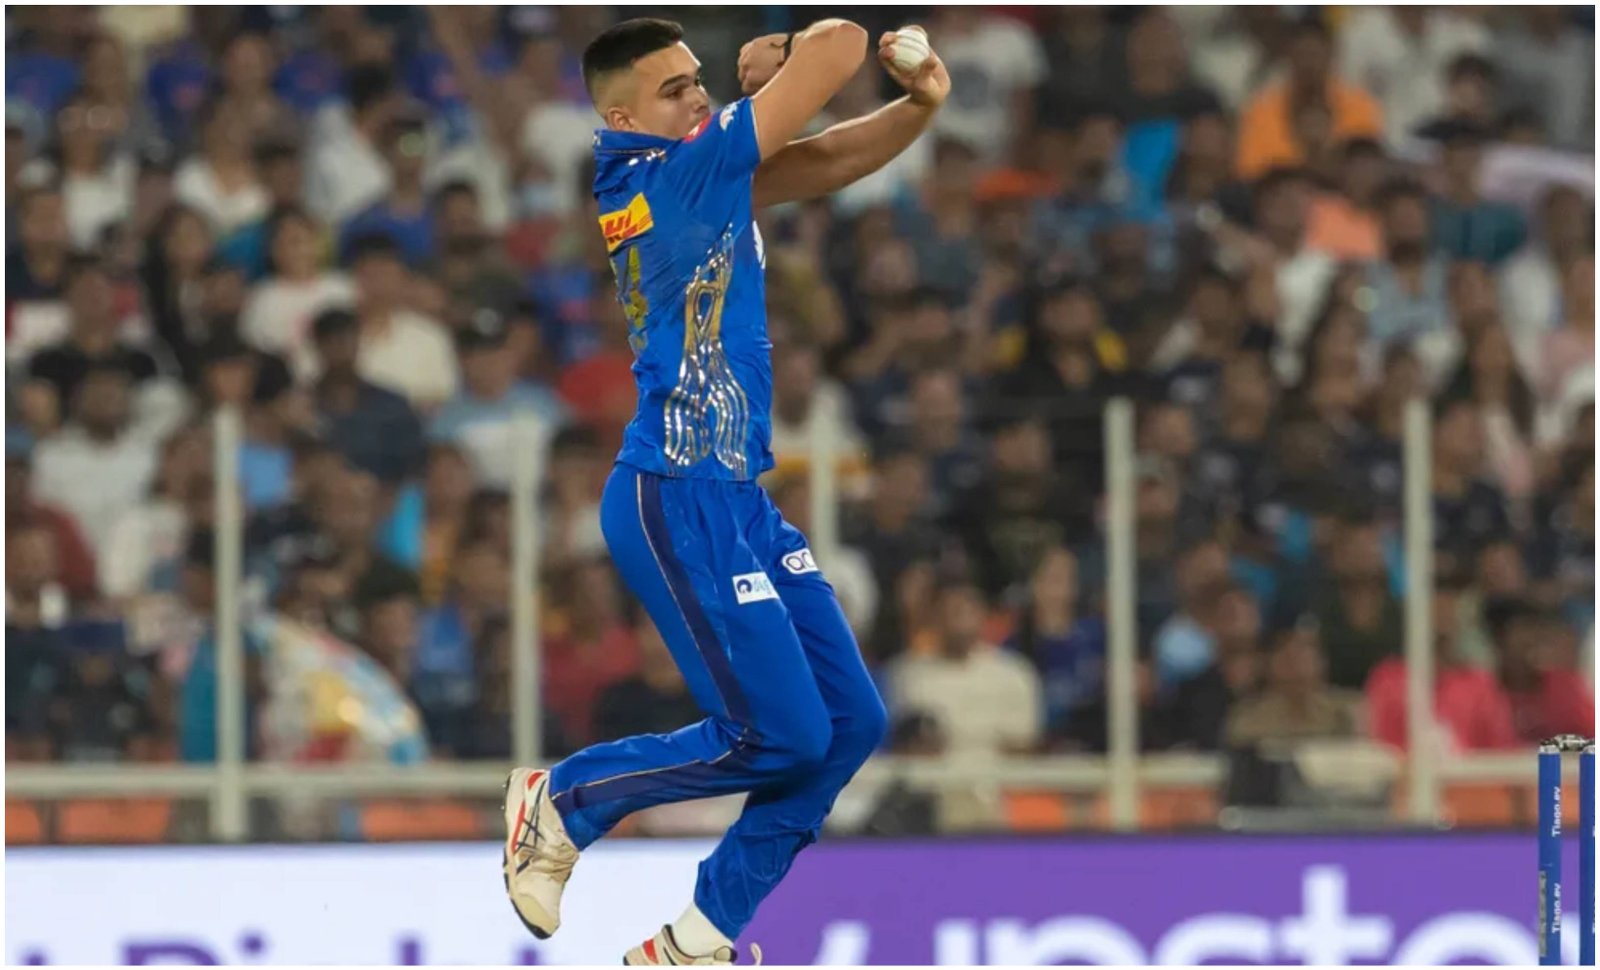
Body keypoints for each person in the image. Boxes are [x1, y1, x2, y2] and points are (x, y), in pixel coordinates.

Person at [498, 17, 950, 966]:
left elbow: (823, 162)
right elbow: (840, 41)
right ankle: (564, 800)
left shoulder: (697, 171)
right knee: (780, 734)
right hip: (678, 490)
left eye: (698, 82)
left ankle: (696, 940)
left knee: (849, 723)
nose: (696, 96)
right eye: (675, 90)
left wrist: (923, 106)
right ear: (622, 115)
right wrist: (776, 67)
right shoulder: (669, 173)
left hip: (735, 494)